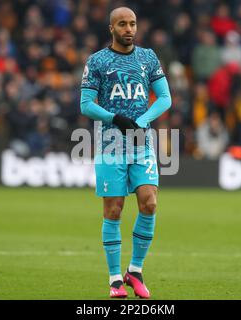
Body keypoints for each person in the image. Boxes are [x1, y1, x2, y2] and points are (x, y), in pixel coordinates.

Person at [80, 7, 171, 298]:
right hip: (110, 145)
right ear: (111, 28)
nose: (129, 29)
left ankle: (135, 270)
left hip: (141, 143)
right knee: (114, 209)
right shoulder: (97, 61)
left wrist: (141, 122)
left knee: (150, 203)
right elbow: (85, 104)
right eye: (122, 24)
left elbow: (165, 97)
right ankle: (115, 280)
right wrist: (114, 118)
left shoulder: (148, 58)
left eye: (132, 23)